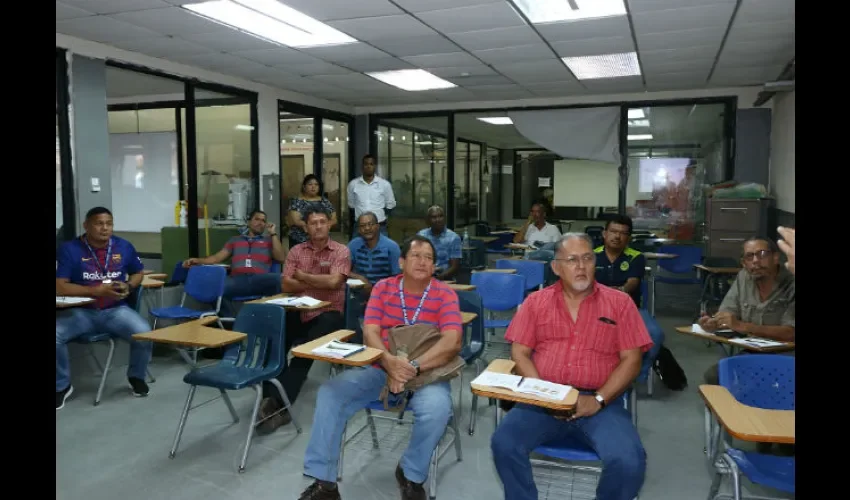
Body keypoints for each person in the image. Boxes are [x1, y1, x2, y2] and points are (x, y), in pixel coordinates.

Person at [296, 235, 463, 500]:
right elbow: (370, 331)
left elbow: (453, 342)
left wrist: (412, 368)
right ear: (401, 261)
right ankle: (325, 482)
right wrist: (388, 362)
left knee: (437, 409)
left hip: (427, 373)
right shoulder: (384, 288)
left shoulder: (445, 294)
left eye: (429, 258)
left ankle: (410, 473)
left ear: (434, 266)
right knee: (330, 393)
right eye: (416, 256)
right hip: (380, 369)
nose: (422, 262)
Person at [491, 233, 652, 500]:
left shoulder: (620, 303)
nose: (581, 266)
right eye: (572, 260)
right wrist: (544, 396)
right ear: (556, 267)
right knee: (504, 444)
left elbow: (632, 360)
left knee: (629, 461)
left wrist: (598, 400)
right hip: (541, 402)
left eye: (587, 258)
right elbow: (519, 352)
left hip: (599, 402)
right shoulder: (536, 302)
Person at [258, 208, 350, 434]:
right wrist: (317, 282)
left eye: (322, 222)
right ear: (306, 227)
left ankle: (279, 404)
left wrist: (303, 277)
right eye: (313, 223)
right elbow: (286, 286)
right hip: (299, 310)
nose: (318, 226)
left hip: (330, 314)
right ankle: (272, 395)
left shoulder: (341, 251)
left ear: (329, 225)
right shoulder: (296, 251)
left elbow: (334, 283)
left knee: (304, 352)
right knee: (274, 339)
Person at [56, 207, 154, 410]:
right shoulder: (69, 249)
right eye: (99, 223)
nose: (105, 228)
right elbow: (60, 285)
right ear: (86, 226)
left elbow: (138, 272)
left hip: (115, 310)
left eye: (109, 223)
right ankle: (62, 386)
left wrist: (129, 285)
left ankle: (136, 376)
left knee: (145, 333)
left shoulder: (123, 246)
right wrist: (95, 291)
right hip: (81, 311)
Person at [698, 237, 795, 385]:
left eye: (762, 254)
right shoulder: (744, 277)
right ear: (744, 263)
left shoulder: (791, 282)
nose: (755, 261)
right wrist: (714, 323)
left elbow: (791, 332)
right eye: (749, 256)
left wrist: (744, 326)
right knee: (715, 376)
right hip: (754, 351)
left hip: (788, 355)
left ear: (775, 258)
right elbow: (728, 312)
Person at [592, 215, 665, 367]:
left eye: (623, 233)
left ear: (629, 238)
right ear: (604, 234)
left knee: (655, 334)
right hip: (595, 307)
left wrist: (619, 291)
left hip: (630, 309)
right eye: (613, 231)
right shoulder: (592, 255)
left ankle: (639, 372)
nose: (617, 236)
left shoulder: (636, 257)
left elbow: (632, 282)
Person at [183, 210, 286, 316]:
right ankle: (231, 320)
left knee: (280, 279)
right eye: (257, 219)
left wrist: (273, 233)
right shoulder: (235, 240)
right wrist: (198, 260)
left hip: (259, 279)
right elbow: (217, 258)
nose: (260, 222)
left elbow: (281, 258)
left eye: (263, 221)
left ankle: (274, 318)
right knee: (213, 288)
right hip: (237, 280)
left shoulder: (268, 241)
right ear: (249, 222)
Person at [348, 211, 401, 291]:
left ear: (378, 226)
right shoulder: (353, 245)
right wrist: (360, 278)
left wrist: (376, 290)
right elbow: (343, 270)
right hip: (359, 291)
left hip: (385, 292)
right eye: (363, 226)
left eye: (370, 224)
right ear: (359, 230)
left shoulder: (392, 247)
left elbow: (397, 278)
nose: (367, 228)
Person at [347, 154, 396, 237]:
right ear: (362, 167)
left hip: (380, 226)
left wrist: (380, 215)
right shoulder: (353, 184)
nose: (368, 166)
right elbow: (351, 205)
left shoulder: (385, 184)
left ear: (375, 166)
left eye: (371, 164)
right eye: (366, 164)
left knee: (382, 249)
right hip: (360, 227)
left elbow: (390, 204)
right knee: (356, 249)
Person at [288, 174, 338, 249]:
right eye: (310, 184)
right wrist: (310, 228)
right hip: (300, 240)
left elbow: (334, 219)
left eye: (316, 184)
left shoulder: (325, 201)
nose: (313, 187)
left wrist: (327, 225)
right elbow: (296, 221)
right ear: (304, 187)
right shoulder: (297, 201)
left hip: (321, 240)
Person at [417, 205, 461, 281]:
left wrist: (438, 278)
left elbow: (454, 267)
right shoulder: (421, 236)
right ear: (427, 220)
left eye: (440, 216)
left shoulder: (453, 237)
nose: (438, 220)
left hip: (445, 278)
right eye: (434, 217)